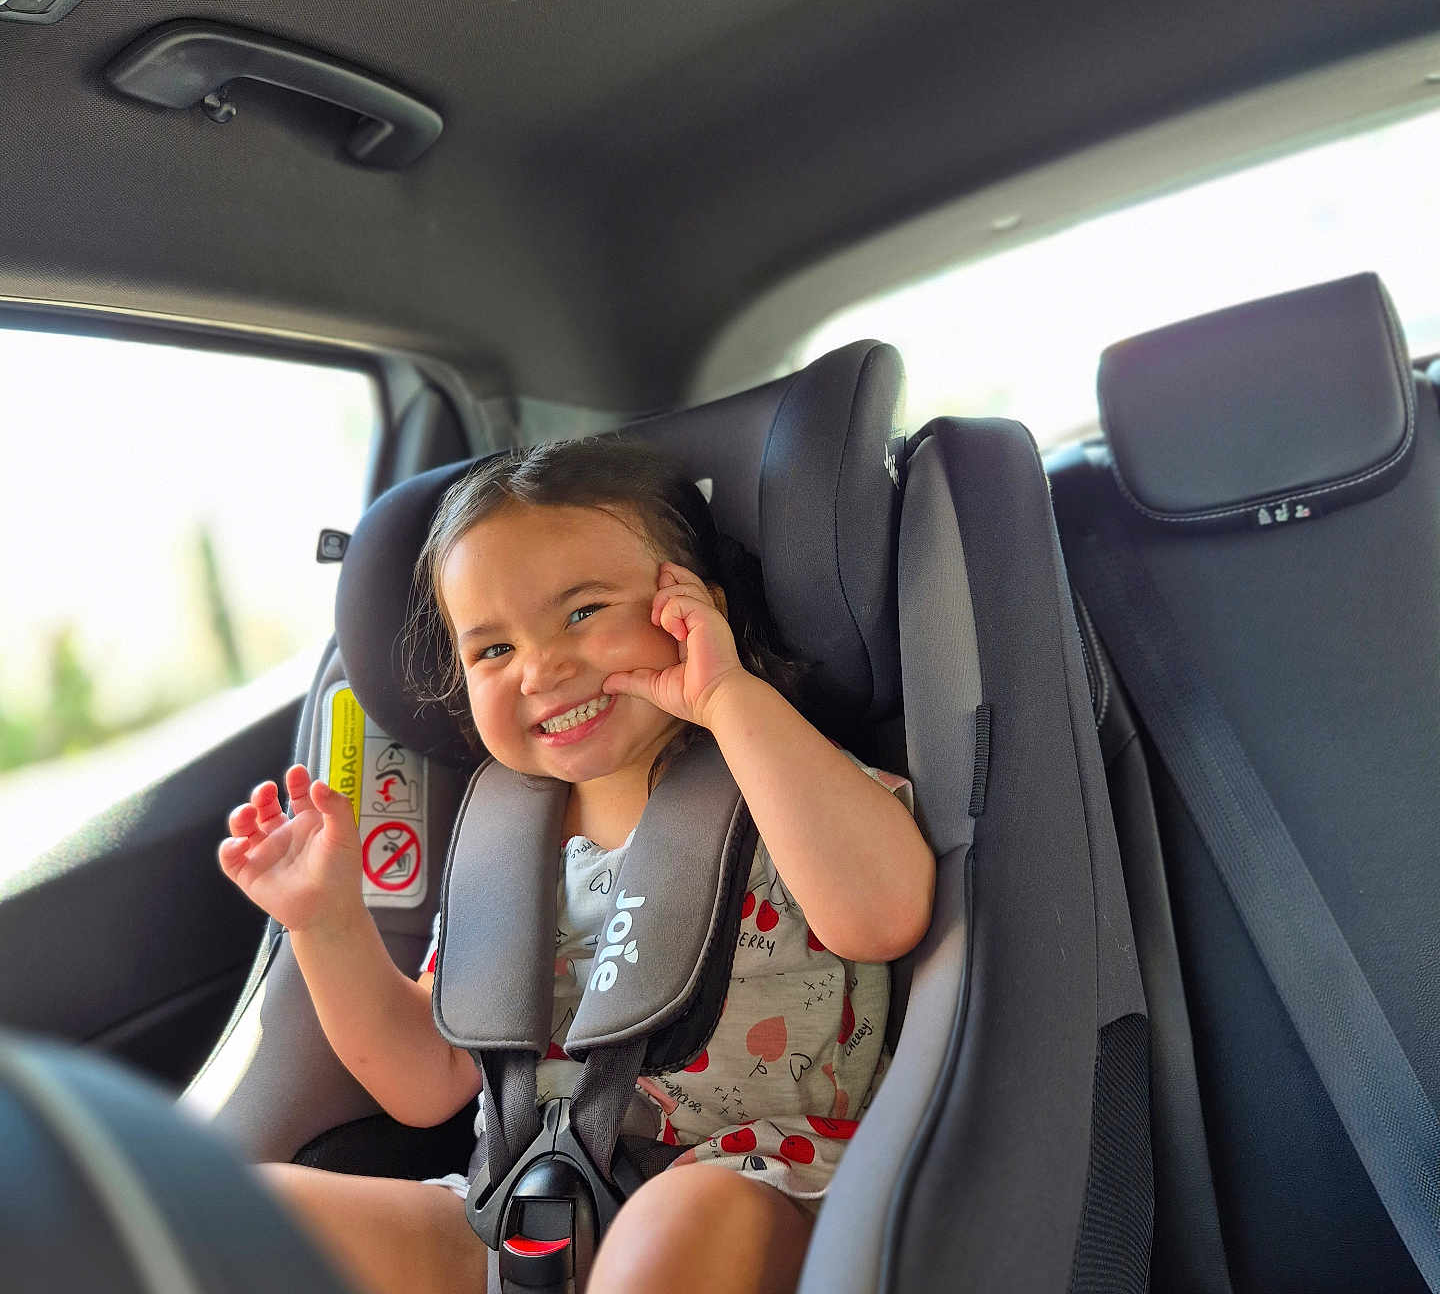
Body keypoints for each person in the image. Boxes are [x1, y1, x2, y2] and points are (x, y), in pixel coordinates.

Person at [218, 440, 935, 1294]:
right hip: (515, 1214)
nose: (541, 668)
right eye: (491, 651)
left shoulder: (782, 772)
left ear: (692, 605)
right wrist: (324, 918)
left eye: (583, 611)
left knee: (676, 1228)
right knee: (239, 1214)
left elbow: (883, 914)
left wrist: (726, 697)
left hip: (751, 1193)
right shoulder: (500, 845)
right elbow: (427, 1081)